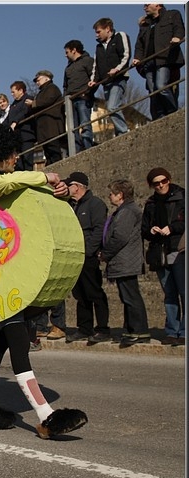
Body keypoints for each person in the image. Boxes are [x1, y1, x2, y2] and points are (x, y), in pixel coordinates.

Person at [0, 122, 87, 440]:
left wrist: (56, 193)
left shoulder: (3, 181)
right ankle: (46, 416)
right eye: (13, 153)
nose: (17, 158)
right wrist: (43, 177)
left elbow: (18, 191)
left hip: (8, 276)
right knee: (18, 344)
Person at [60, 172, 112, 344]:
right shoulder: (71, 205)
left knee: (94, 292)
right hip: (74, 257)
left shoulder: (95, 204)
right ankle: (84, 328)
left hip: (88, 257)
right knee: (80, 294)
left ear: (77, 186)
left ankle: (103, 328)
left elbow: (99, 230)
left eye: (69, 185)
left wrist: (89, 251)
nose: (67, 188)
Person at [101, 179, 150, 348]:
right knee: (127, 296)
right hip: (124, 261)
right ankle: (131, 330)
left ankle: (139, 331)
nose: (109, 196)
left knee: (131, 297)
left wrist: (105, 254)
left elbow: (120, 237)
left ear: (120, 195)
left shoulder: (128, 211)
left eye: (112, 193)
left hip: (126, 261)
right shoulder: (124, 210)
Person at [141, 167, 185, 346]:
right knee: (169, 294)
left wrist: (172, 228)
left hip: (179, 249)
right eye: (156, 183)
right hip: (160, 252)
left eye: (163, 181)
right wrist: (151, 231)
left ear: (169, 179)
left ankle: (184, 332)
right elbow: (144, 229)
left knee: (184, 292)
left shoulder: (182, 196)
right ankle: (172, 331)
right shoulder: (150, 203)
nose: (160, 185)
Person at [132, 4, 185, 120]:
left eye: (147, 4)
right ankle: (160, 116)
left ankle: (173, 112)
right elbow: (139, 44)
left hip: (164, 58)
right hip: (148, 62)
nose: (145, 7)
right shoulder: (145, 24)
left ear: (158, 4)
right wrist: (137, 57)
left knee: (161, 86)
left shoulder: (172, 14)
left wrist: (177, 37)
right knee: (153, 92)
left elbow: (179, 28)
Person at [88, 17, 131, 137]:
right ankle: (119, 132)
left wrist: (117, 69)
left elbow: (126, 55)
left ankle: (123, 132)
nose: (97, 35)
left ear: (107, 29)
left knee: (112, 106)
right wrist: (93, 80)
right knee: (111, 107)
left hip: (119, 78)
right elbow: (96, 65)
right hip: (106, 82)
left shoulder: (120, 36)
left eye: (98, 32)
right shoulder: (99, 47)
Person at [25, 70, 66, 165]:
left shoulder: (52, 88)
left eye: (38, 79)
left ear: (47, 78)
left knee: (54, 150)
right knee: (48, 151)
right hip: (45, 128)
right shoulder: (41, 92)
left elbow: (47, 100)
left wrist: (33, 103)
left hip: (51, 125)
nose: (37, 82)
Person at [63, 39, 96, 152]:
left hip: (83, 98)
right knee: (73, 128)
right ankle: (76, 150)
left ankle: (88, 148)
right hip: (71, 101)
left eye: (67, 52)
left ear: (74, 50)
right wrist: (65, 99)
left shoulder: (88, 61)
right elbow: (65, 85)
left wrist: (88, 93)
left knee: (85, 124)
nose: (65, 55)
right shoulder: (68, 68)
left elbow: (94, 79)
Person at [8, 81, 37, 171]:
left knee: (27, 158)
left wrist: (15, 122)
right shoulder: (13, 104)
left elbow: (24, 112)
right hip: (17, 137)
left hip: (26, 134)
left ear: (20, 90)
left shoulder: (28, 99)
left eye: (13, 92)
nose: (12, 94)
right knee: (18, 161)